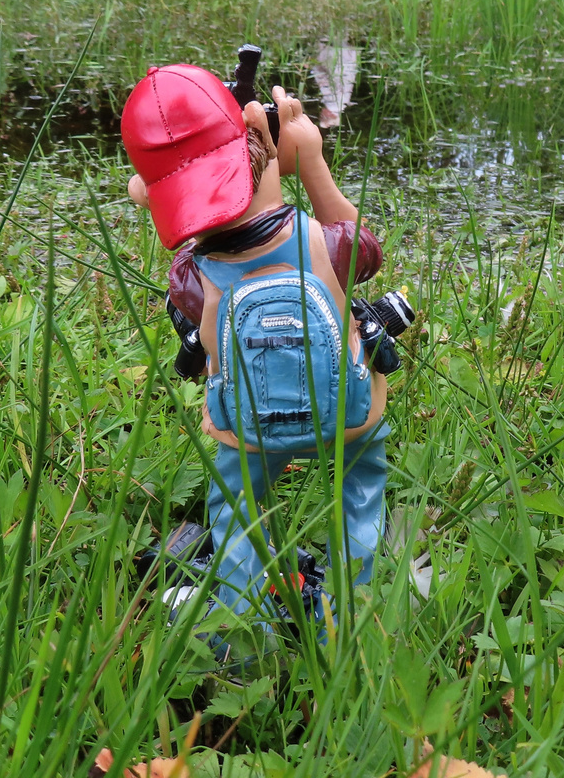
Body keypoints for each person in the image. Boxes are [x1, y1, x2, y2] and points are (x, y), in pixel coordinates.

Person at [121, 63, 393, 622]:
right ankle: (356, 601)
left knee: (236, 506)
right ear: (265, 146)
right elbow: (367, 249)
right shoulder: (325, 242)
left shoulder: (192, 274)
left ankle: (238, 613)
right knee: (360, 487)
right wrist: (310, 160)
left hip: (247, 429)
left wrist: (153, 190)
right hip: (348, 410)